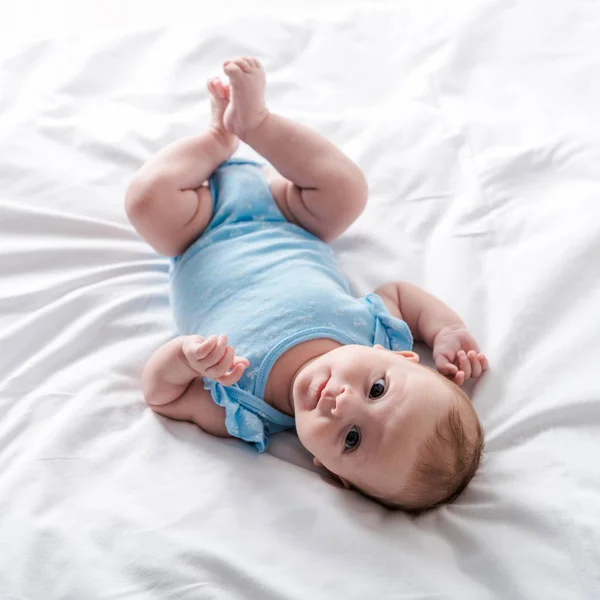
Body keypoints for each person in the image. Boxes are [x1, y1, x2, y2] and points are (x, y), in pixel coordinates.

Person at [125, 57, 488, 513]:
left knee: (145, 202)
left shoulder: (245, 409)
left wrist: (184, 358)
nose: (340, 403)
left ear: (327, 468)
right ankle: (255, 122)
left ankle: (216, 140)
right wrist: (446, 330)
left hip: (194, 229)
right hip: (292, 216)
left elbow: (163, 395)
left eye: (351, 439)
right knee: (347, 190)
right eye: (376, 390)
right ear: (397, 355)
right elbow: (403, 294)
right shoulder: (370, 332)